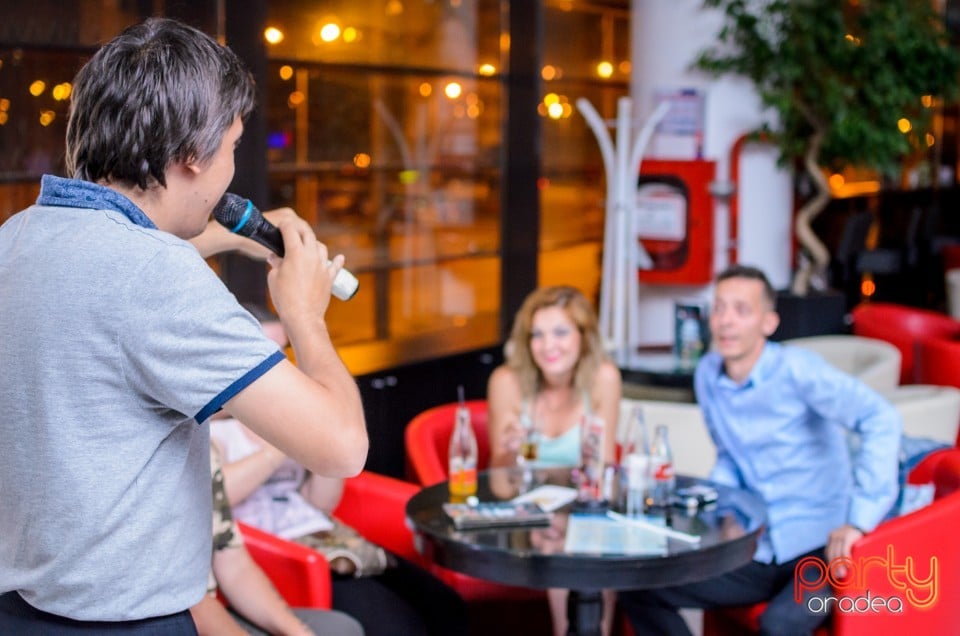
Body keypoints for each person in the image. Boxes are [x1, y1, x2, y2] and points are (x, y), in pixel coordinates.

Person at [0, 17, 367, 633]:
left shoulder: (19, 236)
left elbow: (111, 291)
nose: (232, 169)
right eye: (233, 147)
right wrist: (304, 314)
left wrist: (233, 238)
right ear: (193, 155)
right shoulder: (157, 276)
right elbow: (342, 447)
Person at [618, 264, 902, 635]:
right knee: (641, 587)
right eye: (719, 308)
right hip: (760, 545)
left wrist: (859, 521)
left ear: (768, 323)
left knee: (779, 625)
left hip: (821, 547)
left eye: (741, 310)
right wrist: (720, 510)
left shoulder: (797, 370)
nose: (725, 321)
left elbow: (881, 417)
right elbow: (729, 455)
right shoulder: (708, 374)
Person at [487, 285, 622, 636]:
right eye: (538, 334)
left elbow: (603, 473)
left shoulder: (603, 378)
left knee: (589, 550)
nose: (548, 345)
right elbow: (500, 485)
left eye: (561, 332)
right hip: (524, 521)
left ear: (583, 337)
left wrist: (568, 518)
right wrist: (508, 451)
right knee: (560, 550)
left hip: (583, 515)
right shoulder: (507, 381)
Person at [191, 447, 364, 636]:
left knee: (342, 628)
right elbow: (190, 605)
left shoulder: (204, 450)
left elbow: (235, 568)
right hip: (182, 617)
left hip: (209, 606)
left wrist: (298, 632)